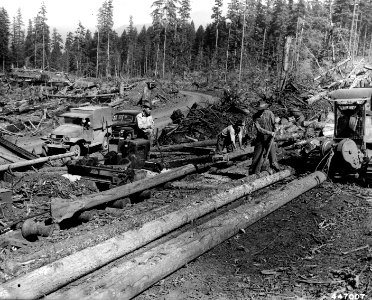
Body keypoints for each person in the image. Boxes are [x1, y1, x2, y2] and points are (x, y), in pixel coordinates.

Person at [249, 101, 280, 174]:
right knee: (256, 158)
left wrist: (276, 127)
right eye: (260, 109)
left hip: (269, 139)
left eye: (262, 109)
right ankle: (253, 173)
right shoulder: (255, 116)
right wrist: (270, 132)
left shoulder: (270, 113)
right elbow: (259, 129)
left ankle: (276, 172)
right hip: (260, 139)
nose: (261, 110)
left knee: (273, 158)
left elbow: (274, 123)